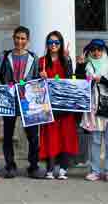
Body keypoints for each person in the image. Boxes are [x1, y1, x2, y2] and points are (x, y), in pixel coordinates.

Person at [0, 26, 45, 179]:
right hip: (9, 99)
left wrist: (42, 76)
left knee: (33, 136)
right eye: (17, 38)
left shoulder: (33, 57)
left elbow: (37, 78)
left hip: (28, 101)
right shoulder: (5, 56)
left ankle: (33, 166)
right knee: (8, 135)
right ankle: (10, 166)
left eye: (23, 38)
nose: (19, 41)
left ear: (27, 40)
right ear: (13, 38)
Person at [38, 30, 79, 180]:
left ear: (60, 44)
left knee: (65, 135)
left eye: (56, 42)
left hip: (64, 103)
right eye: (50, 42)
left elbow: (71, 79)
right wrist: (40, 76)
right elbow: (35, 84)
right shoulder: (42, 61)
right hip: (48, 104)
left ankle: (63, 168)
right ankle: (50, 168)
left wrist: (68, 60)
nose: (53, 45)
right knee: (50, 136)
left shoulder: (66, 60)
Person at [77, 39, 108, 183]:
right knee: (95, 140)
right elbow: (80, 82)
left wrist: (103, 81)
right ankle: (95, 171)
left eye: (99, 49)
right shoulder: (87, 65)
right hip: (93, 106)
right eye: (93, 49)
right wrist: (80, 65)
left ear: (104, 50)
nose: (96, 52)